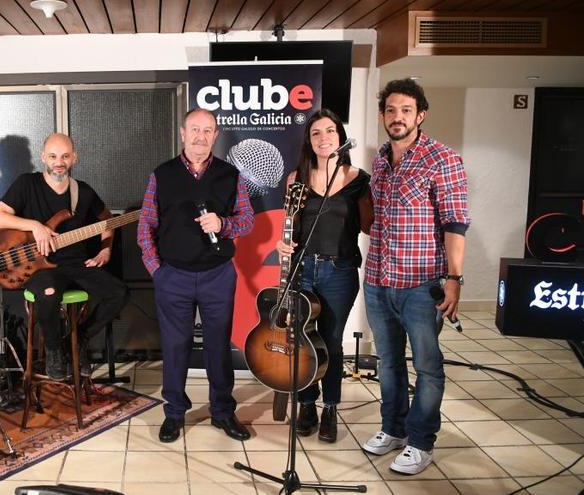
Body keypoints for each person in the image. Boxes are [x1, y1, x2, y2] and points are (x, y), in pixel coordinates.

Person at [361, 79, 470, 475]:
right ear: (383, 116)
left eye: (406, 110)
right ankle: (393, 428)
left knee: (427, 366)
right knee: (388, 362)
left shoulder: (443, 159)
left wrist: (455, 278)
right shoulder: (379, 160)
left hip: (422, 285)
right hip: (377, 279)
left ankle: (421, 441)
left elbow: (455, 224)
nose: (397, 117)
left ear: (420, 115)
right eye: (391, 110)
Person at [137, 108, 254, 443]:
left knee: (218, 346)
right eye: (195, 129)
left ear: (215, 135)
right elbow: (146, 225)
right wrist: (156, 270)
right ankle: (174, 413)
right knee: (176, 347)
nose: (201, 136)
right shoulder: (162, 175)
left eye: (208, 130)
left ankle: (222, 412)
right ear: (182, 132)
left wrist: (224, 224)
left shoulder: (231, 175)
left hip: (218, 274)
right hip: (173, 275)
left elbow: (247, 220)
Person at [0, 133, 127, 380]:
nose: (59, 162)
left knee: (118, 292)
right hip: (42, 268)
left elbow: (108, 221)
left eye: (65, 156)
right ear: (43, 157)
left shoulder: (81, 191)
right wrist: (34, 226)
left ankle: (78, 341)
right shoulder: (26, 184)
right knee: (48, 294)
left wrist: (106, 249)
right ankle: (54, 350)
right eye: (53, 156)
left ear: (74, 157)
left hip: (77, 263)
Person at [275, 108, 373, 443]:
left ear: (340, 136)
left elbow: (370, 226)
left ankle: (330, 407)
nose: (323, 138)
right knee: (302, 339)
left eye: (329, 131)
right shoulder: (295, 179)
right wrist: (282, 244)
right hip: (303, 270)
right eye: (316, 133)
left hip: (339, 271)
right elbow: (290, 229)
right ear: (309, 140)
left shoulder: (359, 179)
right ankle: (306, 404)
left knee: (330, 341)